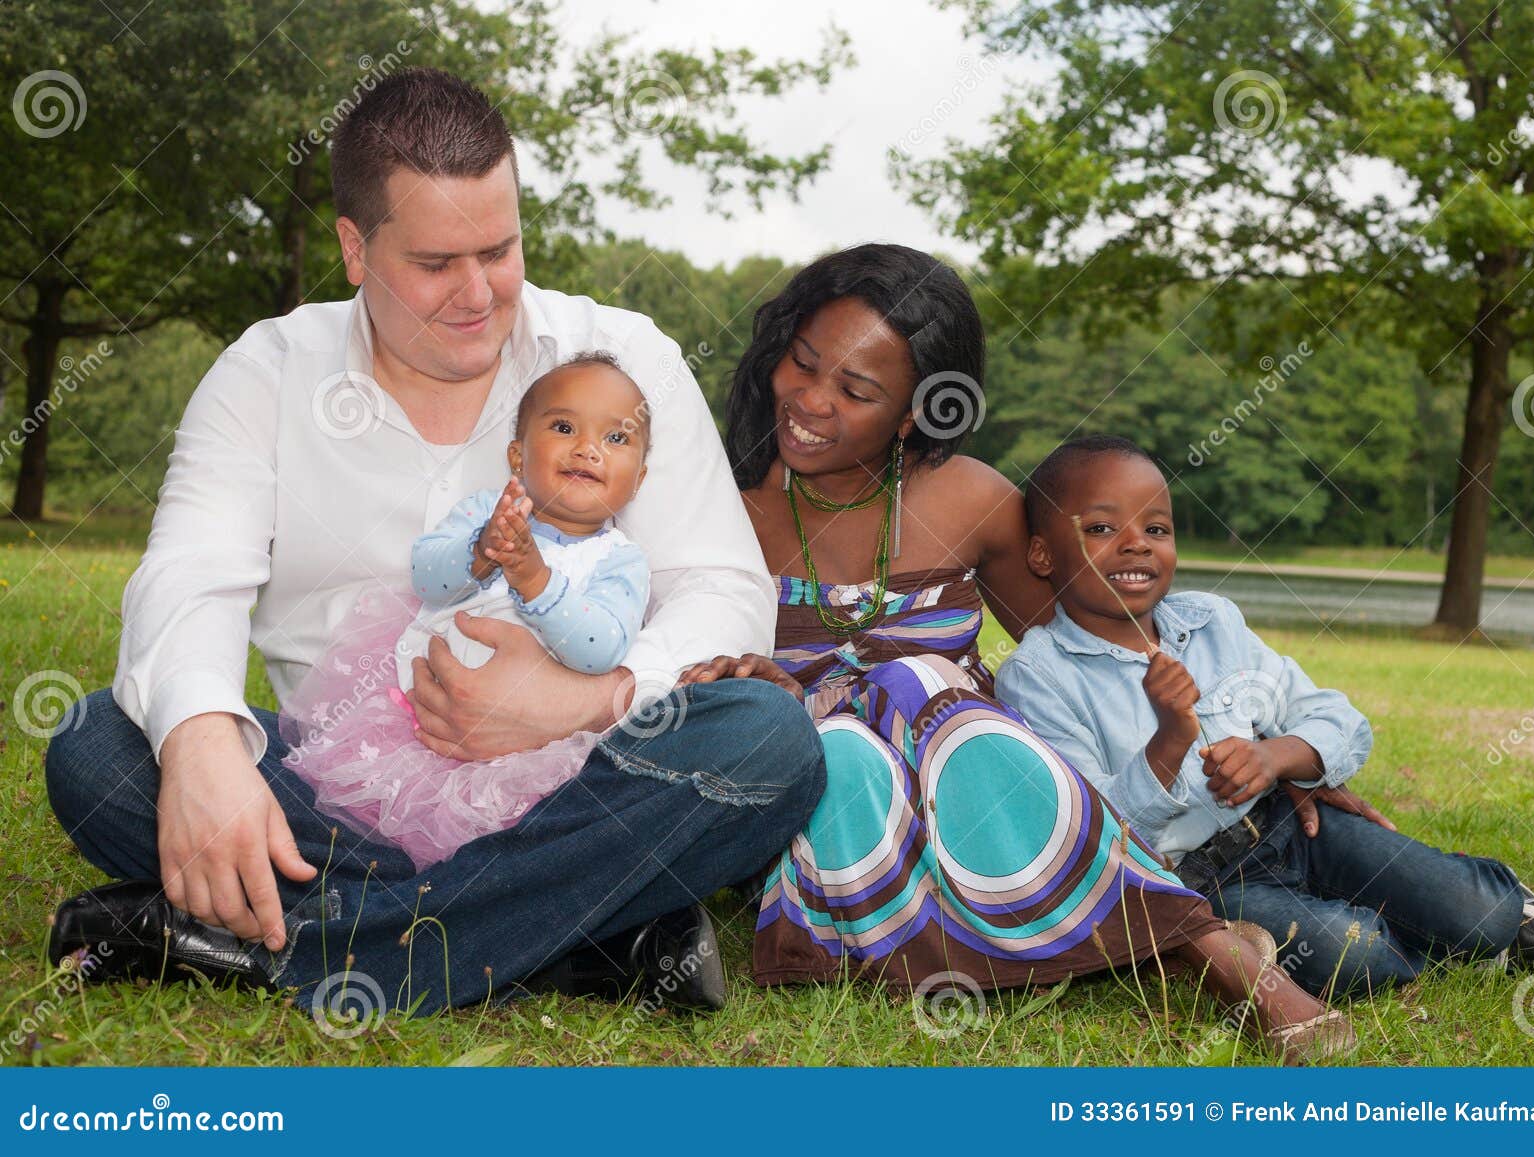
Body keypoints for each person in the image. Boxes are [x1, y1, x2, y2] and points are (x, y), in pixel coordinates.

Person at [43, 67, 824, 1017]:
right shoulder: (267, 371)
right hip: (337, 791)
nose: (478, 293)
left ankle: (279, 948)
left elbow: (722, 585)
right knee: (99, 747)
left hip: (572, 785)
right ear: (354, 250)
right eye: (435, 263)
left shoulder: (621, 361)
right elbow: (187, 576)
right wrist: (204, 748)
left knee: (770, 741)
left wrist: (584, 698)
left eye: (500, 250)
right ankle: (572, 942)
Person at [679, 244, 1355, 1062]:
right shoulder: (719, 507)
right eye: (803, 363)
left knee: (930, 687)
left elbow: (1098, 654)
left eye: (855, 390)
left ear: (912, 414)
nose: (810, 401)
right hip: (825, 798)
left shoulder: (974, 498)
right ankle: (1182, 943)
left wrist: (1288, 755)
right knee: (864, 718)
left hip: (966, 791)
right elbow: (681, 684)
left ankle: (1193, 945)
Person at [994, 434, 1534, 1000]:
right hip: (1204, 881)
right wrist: (1170, 739)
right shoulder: (1038, 676)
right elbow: (1095, 842)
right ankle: (1425, 944)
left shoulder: (1213, 623)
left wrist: (1276, 757)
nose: (1136, 544)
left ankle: (1476, 911)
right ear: (1042, 554)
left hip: (1292, 825)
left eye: (1156, 528)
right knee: (1359, 951)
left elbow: (1336, 717)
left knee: (1483, 912)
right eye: (1100, 528)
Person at [278, 353, 652, 872]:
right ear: (517, 456)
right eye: (564, 427)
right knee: (368, 812)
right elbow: (426, 576)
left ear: (639, 477)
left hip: (530, 749)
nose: (587, 449)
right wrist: (480, 552)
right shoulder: (486, 513)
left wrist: (534, 579)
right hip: (416, 719)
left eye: (617, 438)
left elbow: (601, 649)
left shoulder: (619, 561)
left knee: (524, 839)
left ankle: (479, 894)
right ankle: (370, 876)